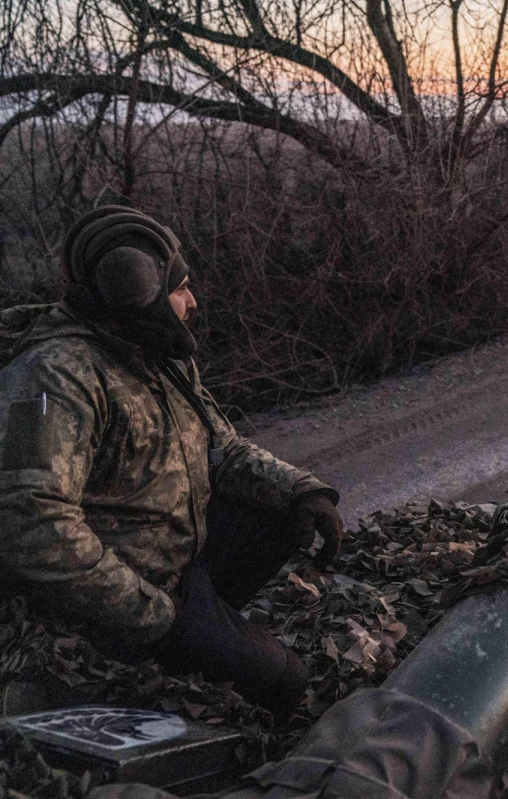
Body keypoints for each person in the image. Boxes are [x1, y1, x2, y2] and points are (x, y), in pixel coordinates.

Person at [0, 206, 345, 721]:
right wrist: (153, 616)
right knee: (288, 683)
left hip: (177, 569)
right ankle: (173, 655)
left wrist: (302, 489)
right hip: (113, 604)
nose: (193, 301)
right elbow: (33, 523)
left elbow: (222, 447)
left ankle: (196, 647)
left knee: (281, 514)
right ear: (135, 291)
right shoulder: (54, 375)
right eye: (181, 288)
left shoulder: (155, 349)